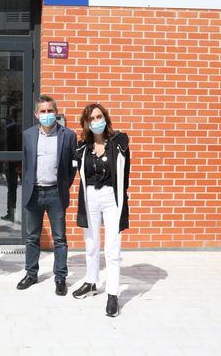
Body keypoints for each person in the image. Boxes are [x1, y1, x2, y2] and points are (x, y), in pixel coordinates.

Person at [71, 103, 130, 317]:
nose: (96, 122)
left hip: (111, 197)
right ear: (86, 124)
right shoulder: (82, 148)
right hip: (90, 197)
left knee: (112, 248)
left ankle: (112, 294)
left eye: (99, 117)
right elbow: (74, 172)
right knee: (91, 244)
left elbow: (126, 172)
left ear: (105, 118)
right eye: (91, 119)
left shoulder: (119, 142)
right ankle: (91, 282)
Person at [16, 94, 76, 296]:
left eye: (50, 111)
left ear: (56, 112)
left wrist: (63, 186)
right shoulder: (28, 135)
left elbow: (71, 167)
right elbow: (26, 163)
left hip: (55, 194)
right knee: (32, 237)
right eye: (43, 111)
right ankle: (31, 274)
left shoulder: (68, 135)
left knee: (60, 238)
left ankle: (60, 277)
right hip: (34, 192)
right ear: (36, 114)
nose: (47, 114)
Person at [2, 106, 22, 222]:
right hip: (18, 162)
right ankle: (14, 213)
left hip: (12, 163)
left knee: (11, 189)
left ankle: (11, 213)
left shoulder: (10, 128)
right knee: (24, 189)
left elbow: (9, 147)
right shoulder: (23, 127)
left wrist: (16, 164)